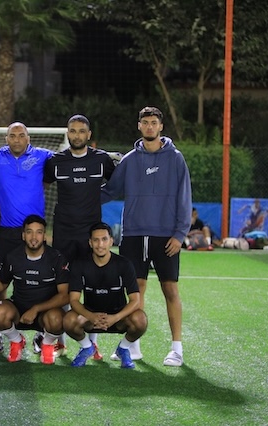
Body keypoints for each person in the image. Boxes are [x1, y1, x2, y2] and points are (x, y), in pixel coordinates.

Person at [102, 106, 192, 367]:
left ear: (161, 126)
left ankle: (176, 349)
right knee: (135, 290)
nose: (150, 126)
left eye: (154, 122)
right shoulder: (130, 160)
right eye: (145, 122)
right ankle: (132, 346)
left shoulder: (175, 158)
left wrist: (180, 234)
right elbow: (110, 191)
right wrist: (81, 194)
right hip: (133, 235)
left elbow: (185, 197)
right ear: (139, 126)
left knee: (170, 289)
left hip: (166, 236)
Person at [43, 114, 117, 360]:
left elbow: (116, 184)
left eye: (81, 131)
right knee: (62, 286)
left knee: (92, 286)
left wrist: (96, 198)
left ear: (89, 134)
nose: (77, 135)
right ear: (68, 134)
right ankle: (59, 342)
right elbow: (42, 186)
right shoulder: (55, 162)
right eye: (73, 131)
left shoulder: (102, 160)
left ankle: (93, 343)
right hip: (63, 233)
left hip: (90, 235)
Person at [0, 122, 54, 353]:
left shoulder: (42, 156)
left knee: (44, 282)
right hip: (6, 232)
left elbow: (70, 157)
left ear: (28, 138)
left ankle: (42, 333)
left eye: (21, 135)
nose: (17, 139)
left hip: (34, 232)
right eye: (13, 135)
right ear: (6, 138)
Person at [0, 215, 70, 364]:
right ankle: (17, 340)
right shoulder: (12, 256)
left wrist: (36, 309)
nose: (34, 237)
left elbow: (64, 296)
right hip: (19, 310)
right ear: (23, 235)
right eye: (29, 232)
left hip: (45, 313)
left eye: (39, 232)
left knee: (58, 319)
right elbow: (1, 285)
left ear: (44, 236)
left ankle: (46, 344)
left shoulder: (56, 258)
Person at [64, 222, 147, 368]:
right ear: (90, 243)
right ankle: (87, 347)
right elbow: (74, 300)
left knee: (140, 320)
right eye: (96, 240)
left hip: (118, 318)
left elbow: (135, 300)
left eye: (104, 239)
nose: (100, 244)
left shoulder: (124, 264)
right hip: (90, 317)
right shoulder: (79, 264)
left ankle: (123, 348)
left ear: (111, 241)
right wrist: (91, 316)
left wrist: (115, 317)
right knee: (68, 321)